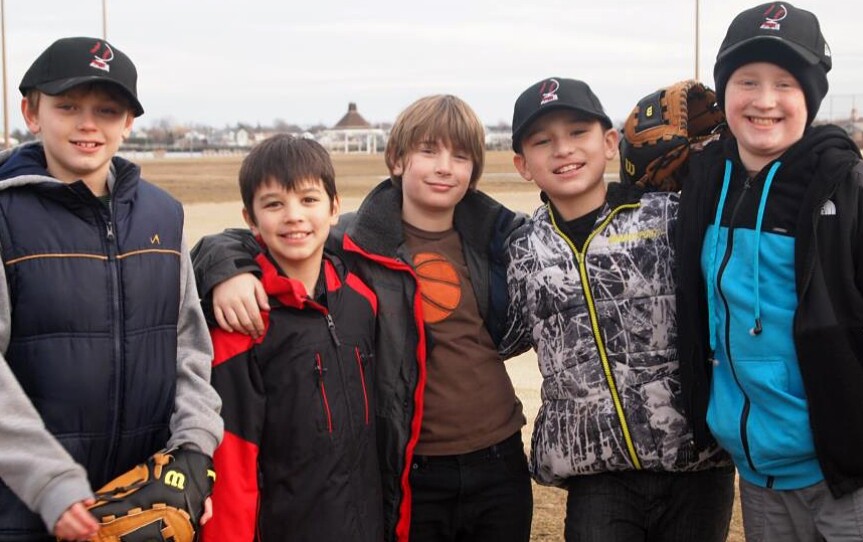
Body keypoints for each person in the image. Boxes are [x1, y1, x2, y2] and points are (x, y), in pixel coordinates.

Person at [190, 95, 532, 541]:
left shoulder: (498, 240)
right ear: (397, 159)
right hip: (414, 467)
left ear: (475, 171)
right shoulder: (355, 240)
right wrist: (227, 271)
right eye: (428, 151)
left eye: (460, 156)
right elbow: (257, 235)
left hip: (499, 456)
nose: (444, 167)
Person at [0, 37, 222, 541]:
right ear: (31, 113)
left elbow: (188, 348)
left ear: (128, 123)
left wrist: (192, 455)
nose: (88, 124)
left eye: (107, 110)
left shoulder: (162, 215)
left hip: (143, 509)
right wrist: (49, 482)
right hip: (25, 512)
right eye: (67, 106)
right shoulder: (5, 217)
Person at [674, 3, 863, 540]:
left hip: (853, 475)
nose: (764, 101)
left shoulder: (855, 190)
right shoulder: (704, 183)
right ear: (724, 92)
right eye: (747, 81)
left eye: (785, 84)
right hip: (759, 474)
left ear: (810, 96)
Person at [500, 76, 734, 541]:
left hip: (697, 461)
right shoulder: (522, 251)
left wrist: (721, 159)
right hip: (598, 472)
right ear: (523, 165)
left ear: (609, 143)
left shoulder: (670, 217)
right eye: (543, 141)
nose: (563, 149)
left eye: (578, 132)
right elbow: (497, 336)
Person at [200, 135, 382, 541]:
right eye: (274, 204)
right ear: (250, 219)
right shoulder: (242, 322)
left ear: (334, 208)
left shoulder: (362, 301)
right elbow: (231, 464)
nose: (294, 216)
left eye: (308, 199)